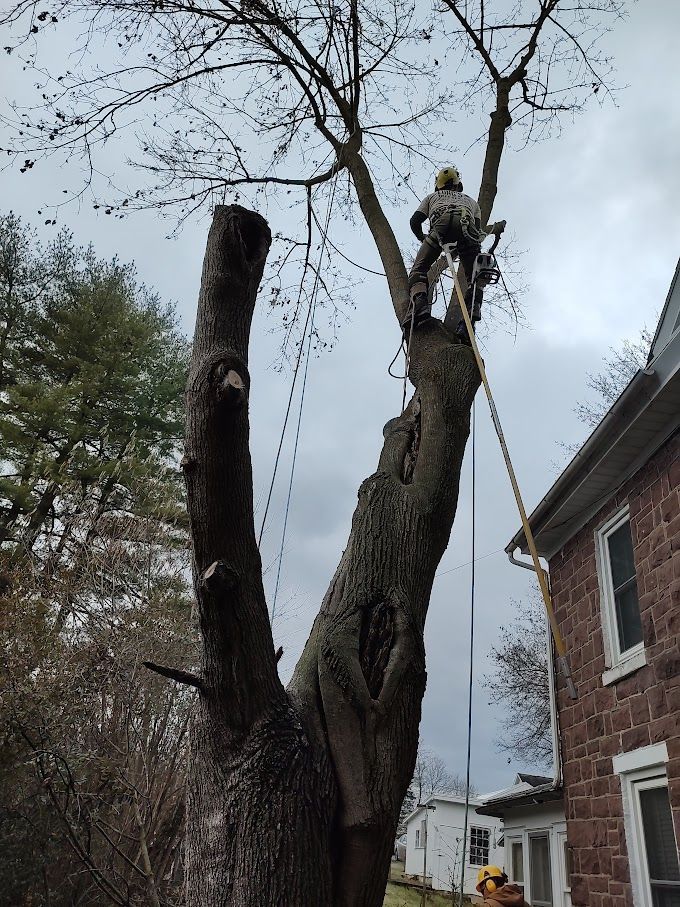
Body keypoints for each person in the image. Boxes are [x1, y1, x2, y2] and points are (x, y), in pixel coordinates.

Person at [405, 166, 505, 340]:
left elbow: (415, 221)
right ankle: (470, 318)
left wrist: (424, 239)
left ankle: (419, 305)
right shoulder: (471, 201)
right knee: (474, 277)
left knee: (418, 270)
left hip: (441, 227)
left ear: (438, 185)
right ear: (458, 185)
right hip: (468, 227)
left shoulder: (432, 197)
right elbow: (475, 230)